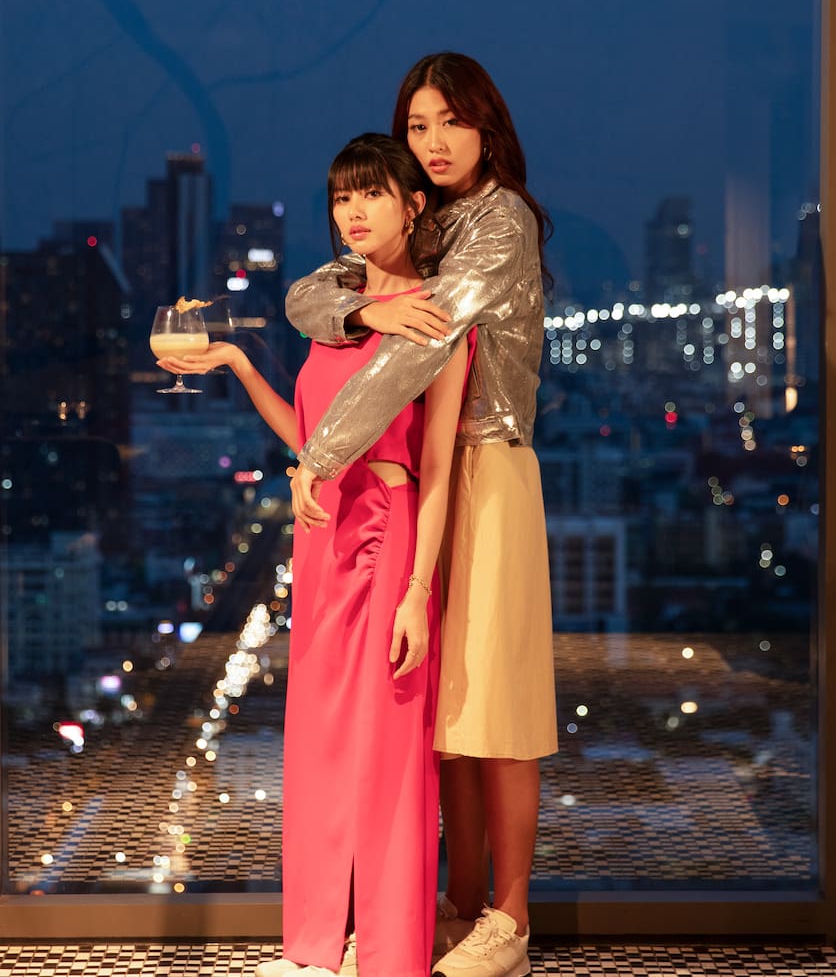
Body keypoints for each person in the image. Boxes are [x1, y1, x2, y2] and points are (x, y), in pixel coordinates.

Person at [160, 135, 470, 977]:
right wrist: (232, 361)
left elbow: (437, 467)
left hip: (389, 527)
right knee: (320, 743)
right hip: (324, 535)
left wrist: (417, 590)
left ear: (414, 205)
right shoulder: (335, 314)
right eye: (340, 198)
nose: (353, 213)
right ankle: (312, 949)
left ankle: (392, 951)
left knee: (393, 752)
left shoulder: (439, 318)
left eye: (371, 195)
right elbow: (310, 437)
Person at [286, 52, 556, 977]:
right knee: (435, 710)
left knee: (497, 709)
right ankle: (454, 900)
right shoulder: (422, 218)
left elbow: (423, 348)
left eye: (449, 122)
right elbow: (312, 294)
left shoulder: (501, 224)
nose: (433, 142)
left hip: (489, 465)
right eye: (417, 126)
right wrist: (361, 318)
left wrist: (319, 454)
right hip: (417, 479)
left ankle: (510, 921)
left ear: (488, 127)